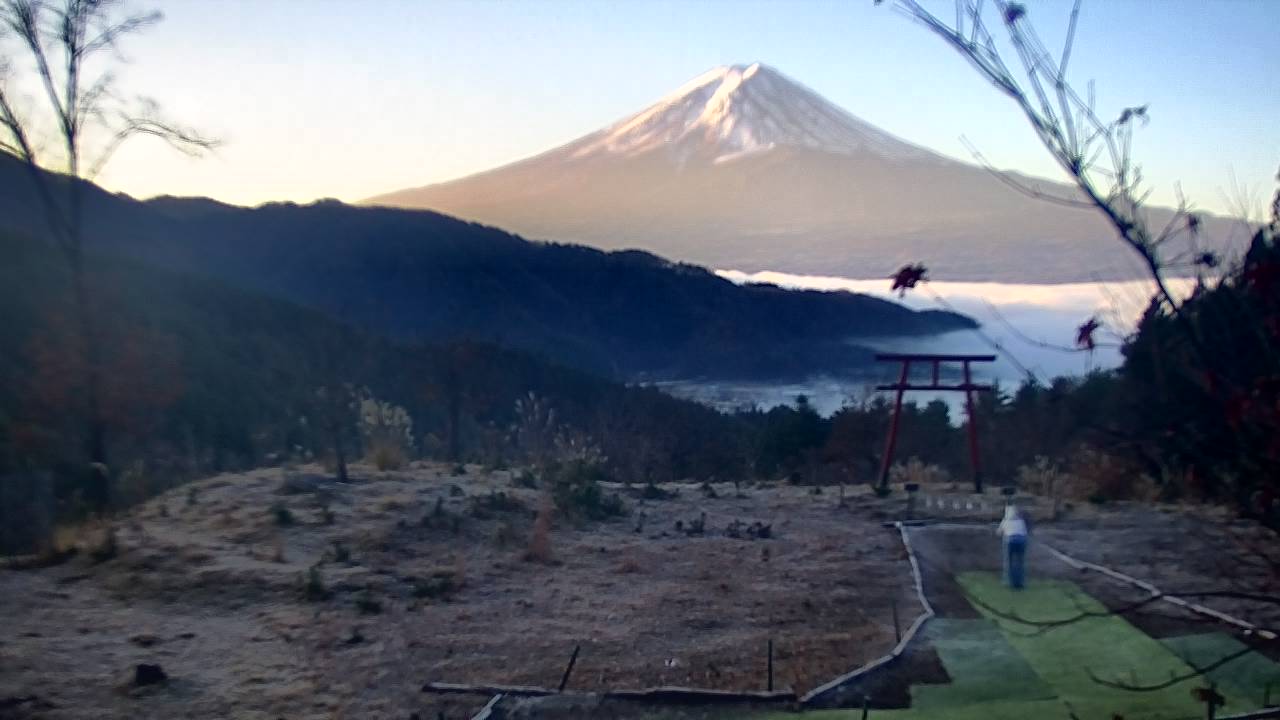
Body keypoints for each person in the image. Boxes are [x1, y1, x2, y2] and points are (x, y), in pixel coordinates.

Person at [998, 504, 1029, 589]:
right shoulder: (1021, 521)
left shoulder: (1005, 521)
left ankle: (1008, 581)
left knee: (1009, 562)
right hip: (1021, 541)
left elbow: (999, 532)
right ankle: (1020, 582)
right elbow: (1025, 533)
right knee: (1020, 562)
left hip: (1010, 542)